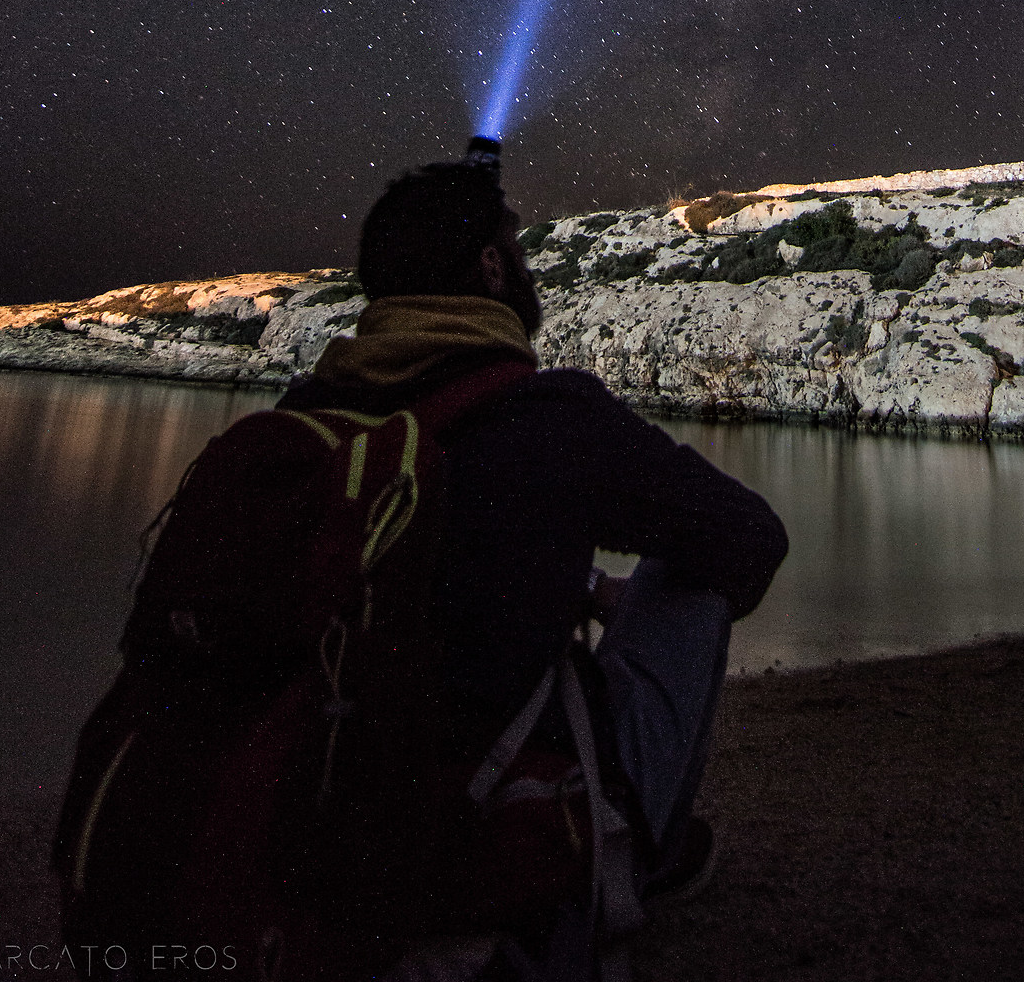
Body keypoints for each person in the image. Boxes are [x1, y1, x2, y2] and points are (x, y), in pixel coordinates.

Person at [277, 144, 788, 978]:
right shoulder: (543, 416)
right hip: (467, 827)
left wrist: (577, 585)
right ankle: (636, 846)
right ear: (490, 267)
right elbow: (749, 543)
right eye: (517, 252)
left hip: (311, 814)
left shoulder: (308, 415)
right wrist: (602, 583)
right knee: (685, 573)